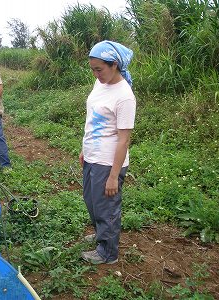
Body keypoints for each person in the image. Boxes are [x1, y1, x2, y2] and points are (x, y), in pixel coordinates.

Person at [79, 40, 136, 264]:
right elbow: (92, 119)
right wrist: (85, 149)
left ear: (114, 65)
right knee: (91, 201)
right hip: (92, 155)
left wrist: (113, 176)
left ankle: (108, 252)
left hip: (108, 161)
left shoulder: (124, 96)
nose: (95, 74)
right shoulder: (100, 84)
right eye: (92, 69)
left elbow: (123, 140)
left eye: (99, 69)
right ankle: (102, 233)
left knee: (106, 206)